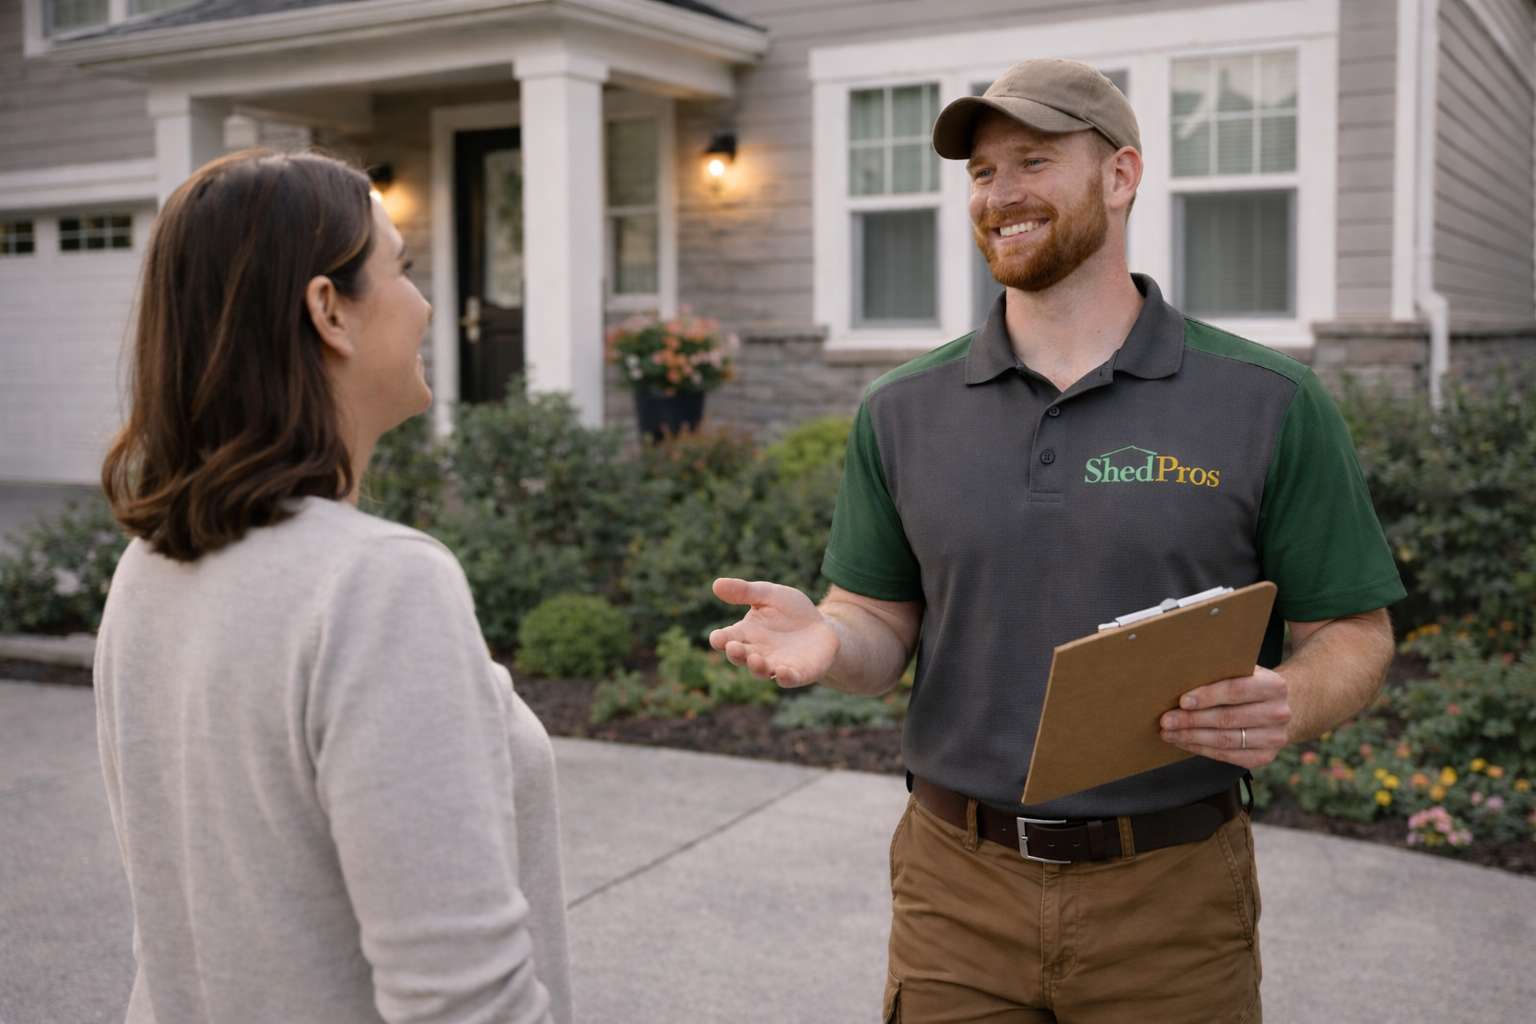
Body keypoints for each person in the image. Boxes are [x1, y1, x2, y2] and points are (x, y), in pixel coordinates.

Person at [711, 58, 1403, 1022]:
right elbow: (877, 625)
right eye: (982, 173)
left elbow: (1355, 632)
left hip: (1172, 898)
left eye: (1033, 161)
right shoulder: (901, 410)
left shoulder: (1268, 404)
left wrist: (1289, 700)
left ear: (1121, 177)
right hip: (956, 893)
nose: (1002, 195)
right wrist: (832, 641)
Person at [95, 150, 572, 1024]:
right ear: (330, 311)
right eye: (403, 268)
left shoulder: (149, 568)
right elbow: (464, 1002)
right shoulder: (378, 587)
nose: (427, 304)